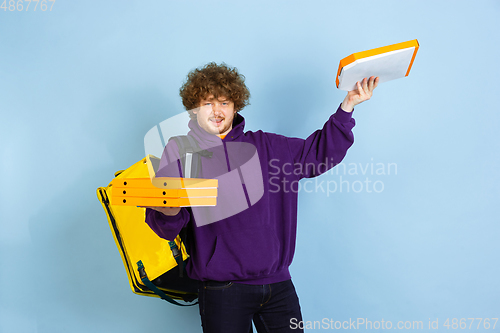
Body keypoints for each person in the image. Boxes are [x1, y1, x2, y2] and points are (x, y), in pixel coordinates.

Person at [144, 62, 379, 332]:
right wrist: (169, 210)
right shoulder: (181, 153)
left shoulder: (269, 146)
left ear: (236, 106)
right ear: (195, 108)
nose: (217, 111)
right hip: (223, 289)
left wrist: (348, 106)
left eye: (224, 102)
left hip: (278, 286)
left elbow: (318, 154)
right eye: (208, 103)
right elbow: (165, 226)